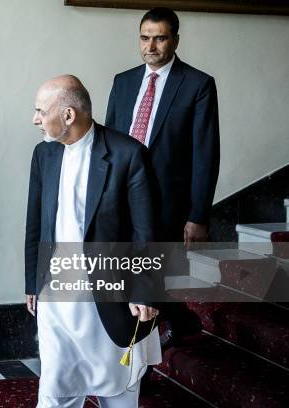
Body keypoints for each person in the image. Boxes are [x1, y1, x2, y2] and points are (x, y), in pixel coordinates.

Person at [25, 75, 161, 408]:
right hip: (57, 297)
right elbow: (35, 224)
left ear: (68, 115)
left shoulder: (128, 155)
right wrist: (33, 282)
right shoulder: (44, 155)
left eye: (41, 111)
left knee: (118, 395)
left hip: (111, 298)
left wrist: (144, 290)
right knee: (56, 393)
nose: (35, 119)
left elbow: (146, 233)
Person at [105, 7, 220, 346]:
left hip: (168, 205)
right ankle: (172, 326)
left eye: (159, 38)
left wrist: (198, 215)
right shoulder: (123, 82)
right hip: (121, 197)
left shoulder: (198, 84)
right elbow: (109, 141)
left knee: (150, 280)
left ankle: (148, 357)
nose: (150, 46)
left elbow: (206, 153)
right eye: (144, 38)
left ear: (175, 40)